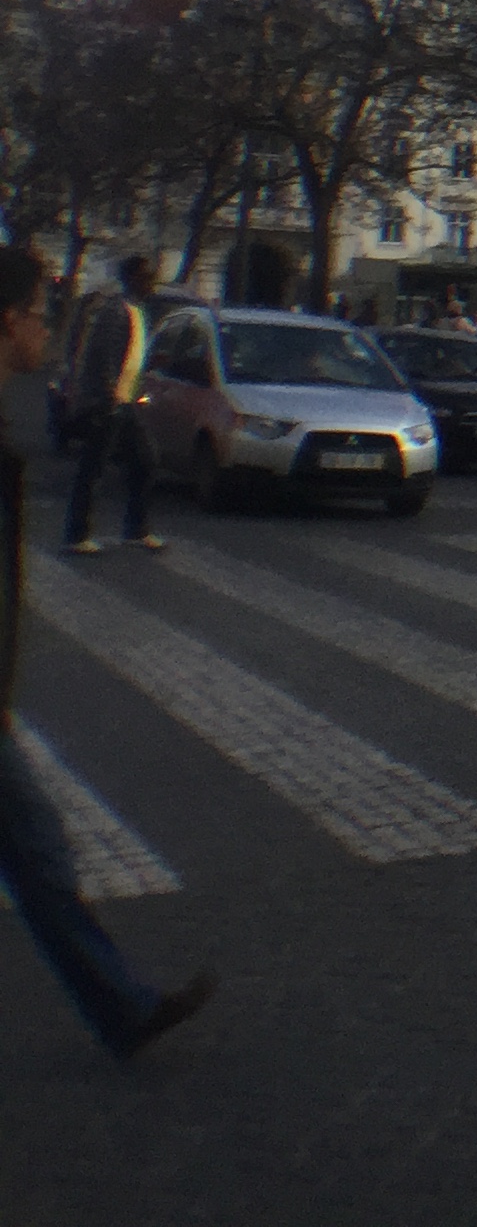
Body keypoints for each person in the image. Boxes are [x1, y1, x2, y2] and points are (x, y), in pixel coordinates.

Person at [1, 244, 218, 1059]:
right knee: (40, 853)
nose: (44, 328)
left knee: (41, 853)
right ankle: (120, 1005)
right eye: (34, 314)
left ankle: (121, 1006)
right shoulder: (117, 319)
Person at [61, 254, 161, 556]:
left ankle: (136, 529)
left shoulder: (136, 311)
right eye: (146, 277)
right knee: (93, 469)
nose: (151, 283)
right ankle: (77, 535)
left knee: (145, 460)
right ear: (131, 278)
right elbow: (104, 357)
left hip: (124, 401)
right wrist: (107, 396)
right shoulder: (116, 311)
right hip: (108, 403)